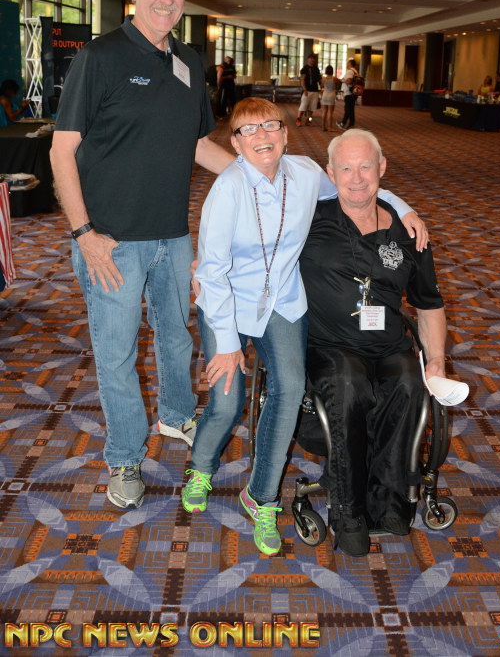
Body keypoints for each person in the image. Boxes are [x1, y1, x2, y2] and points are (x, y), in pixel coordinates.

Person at [181, 98, 428, 556]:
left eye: (270, 126)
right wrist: (229, 345)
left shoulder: (305, 172)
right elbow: (212, 274)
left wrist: (404, 208)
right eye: (249, 130)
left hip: (282, 300)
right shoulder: (228, 188)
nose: (262, 137)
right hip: (227, 302)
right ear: (235, 143)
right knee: (227, 399)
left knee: (290, 390)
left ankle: (261, 498)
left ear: (285, 133)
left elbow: (357, 188)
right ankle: (201, 466)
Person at [50, 0, 233, 511]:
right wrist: (84, 234)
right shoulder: (100, 56)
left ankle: (177, 416)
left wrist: (260, 177)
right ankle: (126, 456)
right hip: (111, 241)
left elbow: (198, 144)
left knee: (177, 338)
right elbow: (61, 150)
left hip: (173, 238)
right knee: (118, 355)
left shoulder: (188, 61)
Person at [300, 129, 459, 557]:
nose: (356, 178)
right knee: (349, 386)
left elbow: (428, 304)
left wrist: (437, 361)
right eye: (346, 168)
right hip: (329, 345)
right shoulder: (308, 218)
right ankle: (348, 512)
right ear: (330, 173)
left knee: (409, 384)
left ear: (382, 168)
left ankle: (390, 504)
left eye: (365, 167)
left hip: (388, 345)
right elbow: (255, 228)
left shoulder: (409, 232)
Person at [296, 53, 321, 126]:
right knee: (303, 107)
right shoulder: (304, 69)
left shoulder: (316, 69)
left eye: (313, 59)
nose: (312, 60)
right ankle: (298, 120)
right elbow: (302, 80)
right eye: (311, 58)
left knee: (312, 108)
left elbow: (319, 79)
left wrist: (321, 87)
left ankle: (309, 120)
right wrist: (305, 90)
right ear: (308, 59)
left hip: (315, 90)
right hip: (307, 91)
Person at [337, 58, 359, 130]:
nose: (346, 64)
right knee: (349, 109)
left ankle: (348, 124)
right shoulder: (355, 71)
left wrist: (342, 80)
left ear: (350, 64)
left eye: (347, 63)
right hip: (354, 92)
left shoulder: (350, 71)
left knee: (349, 109)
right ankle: (345, 123)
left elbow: (349, 81)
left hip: (349, 93)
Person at [320, 64, 337, 131]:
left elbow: (322, 86)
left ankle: (323, 127)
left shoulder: (323, 79)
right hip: (332, 94)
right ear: (332, 71)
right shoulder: (335, 78)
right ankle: (330, 127)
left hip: (325, 94)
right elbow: (337, 86)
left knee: (324, 111)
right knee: (330, 112)